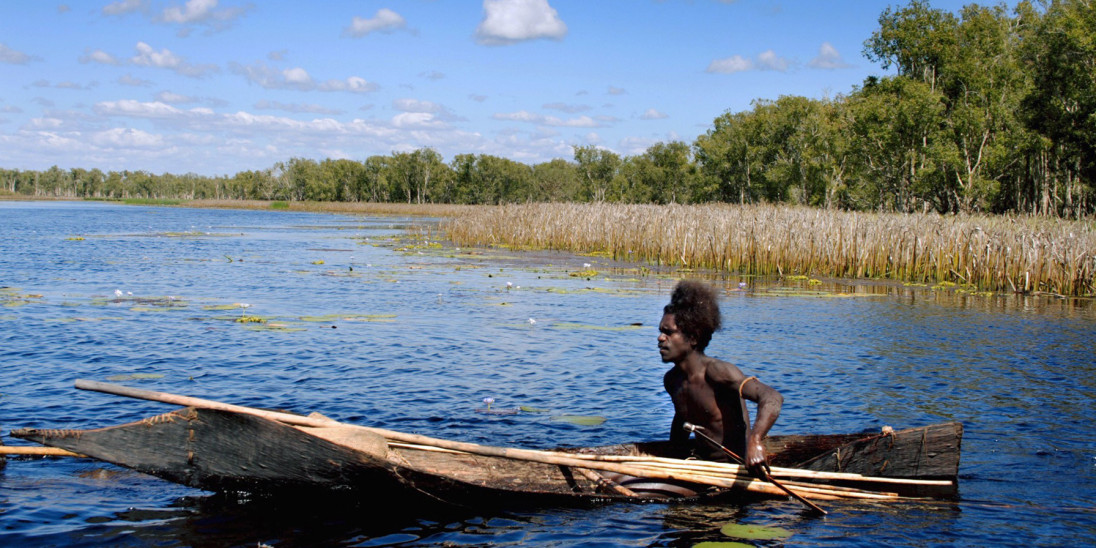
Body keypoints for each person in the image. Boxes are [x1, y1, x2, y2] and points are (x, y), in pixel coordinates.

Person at [659, 280, 782, 470]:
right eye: (660, 332)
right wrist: (672, 459)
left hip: (734, 470)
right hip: (702, 466)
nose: (660, 338)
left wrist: (756, 441)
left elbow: (772, 397)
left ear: (693, 338)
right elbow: (681, 418)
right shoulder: (672, 380)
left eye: (668, 333)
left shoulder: (718, 373)